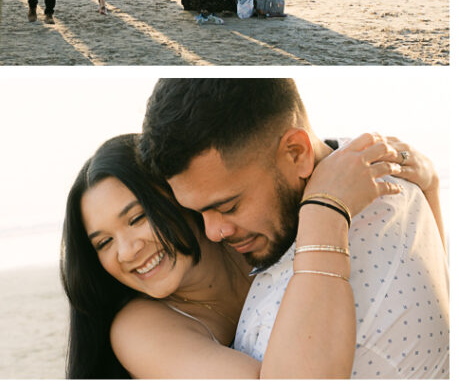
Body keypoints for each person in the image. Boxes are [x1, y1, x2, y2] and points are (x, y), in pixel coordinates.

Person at [61, 130, 441, 379]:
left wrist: (430, 186)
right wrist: (324, 209)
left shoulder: (252, 235)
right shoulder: (138, 328)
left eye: (138, 218)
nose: (128, 251)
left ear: (182, 195)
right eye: (103, 243)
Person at [141, 78, 449, 378]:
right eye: (197, 213)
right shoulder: (368, 163)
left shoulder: (314, 320)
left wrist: (323, 215)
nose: (212, 232)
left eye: (227, 207)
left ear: (296, 152)